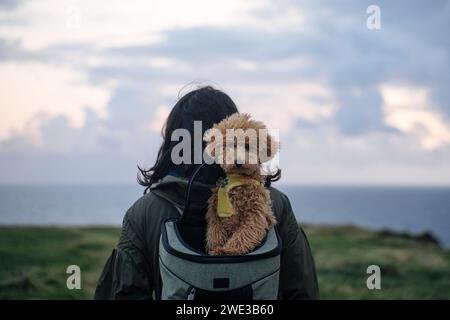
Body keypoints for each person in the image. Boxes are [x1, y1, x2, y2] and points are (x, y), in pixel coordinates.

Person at [94, 86, 319, 300]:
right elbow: (302, 291)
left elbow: (124, 293)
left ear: (173, 143)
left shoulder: (143, 213)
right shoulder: (275, 203)